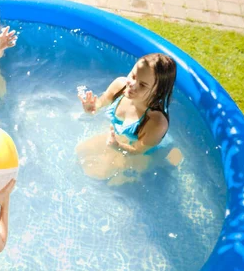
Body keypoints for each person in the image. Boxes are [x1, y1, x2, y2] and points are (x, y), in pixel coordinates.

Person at [75, 53, 182, 185]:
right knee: (80, 151)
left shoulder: (156, 122)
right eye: (133, 76)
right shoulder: (120, 86)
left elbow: (137, 151)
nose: (132, 84)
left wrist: (118, 147)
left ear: (157, 92)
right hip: (121, 139)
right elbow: (101, 102)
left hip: (148, 150)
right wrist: (92, 107)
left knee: (102, 176)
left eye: (142, 85)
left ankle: (168, 160)